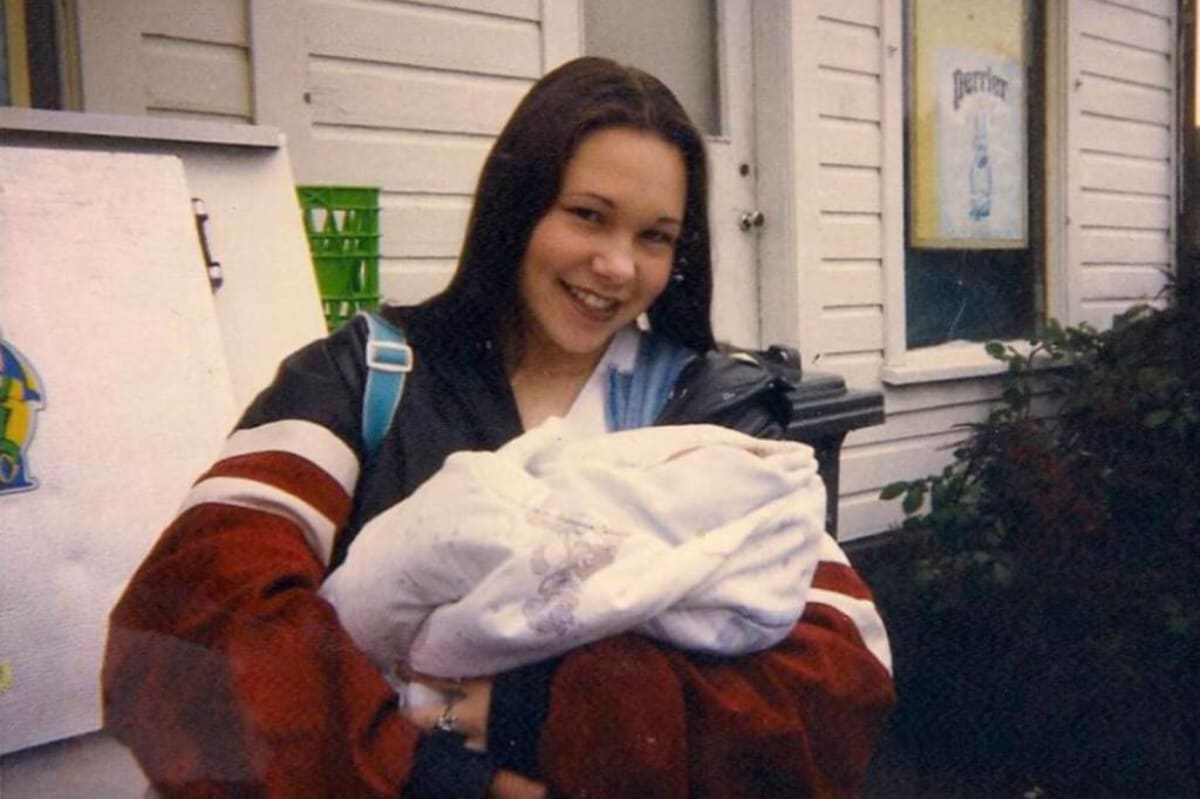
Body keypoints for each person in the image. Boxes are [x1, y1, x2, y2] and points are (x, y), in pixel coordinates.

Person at [102, 57, 894, 798]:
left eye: (655, 236)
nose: (617, 265)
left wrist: (532, 710)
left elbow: (839, 679)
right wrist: (432, 775)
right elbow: (188, 625)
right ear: (516, 206)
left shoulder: (711, 409)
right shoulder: (365, 379)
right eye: (588, 215)